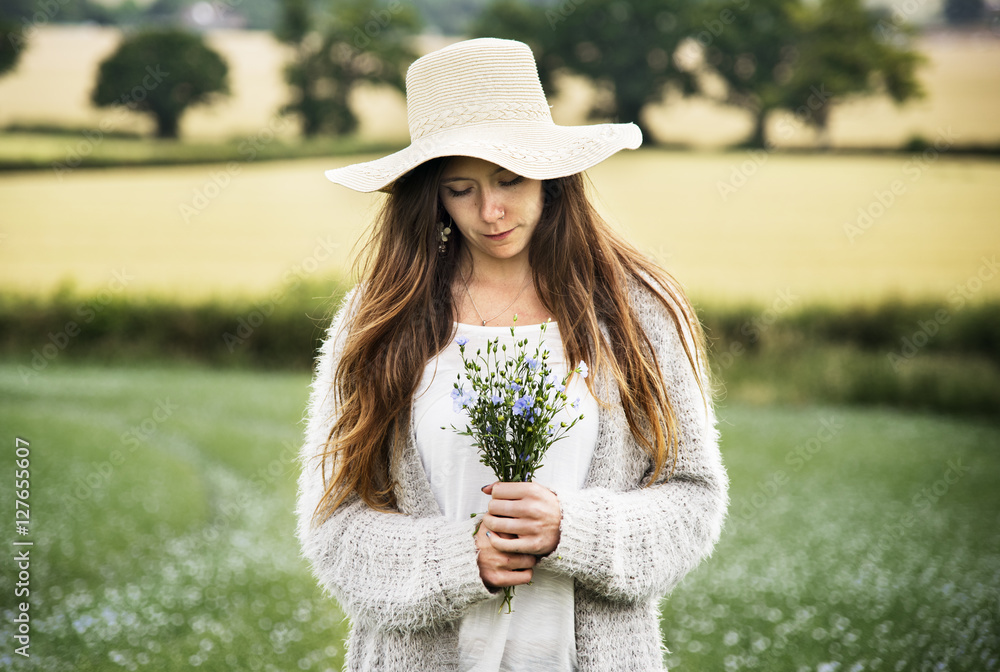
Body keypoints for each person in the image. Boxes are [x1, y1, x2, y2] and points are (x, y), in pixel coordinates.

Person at [295, 37, 728, 672]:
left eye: (509, 179)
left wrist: (572, 531)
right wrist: (461, 560)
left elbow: (693, 498)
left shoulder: (636, 312)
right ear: (431, 195)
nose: (490, 212)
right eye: (460, 189)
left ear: (551, 177)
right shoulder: (380, 317)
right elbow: (332, 526)